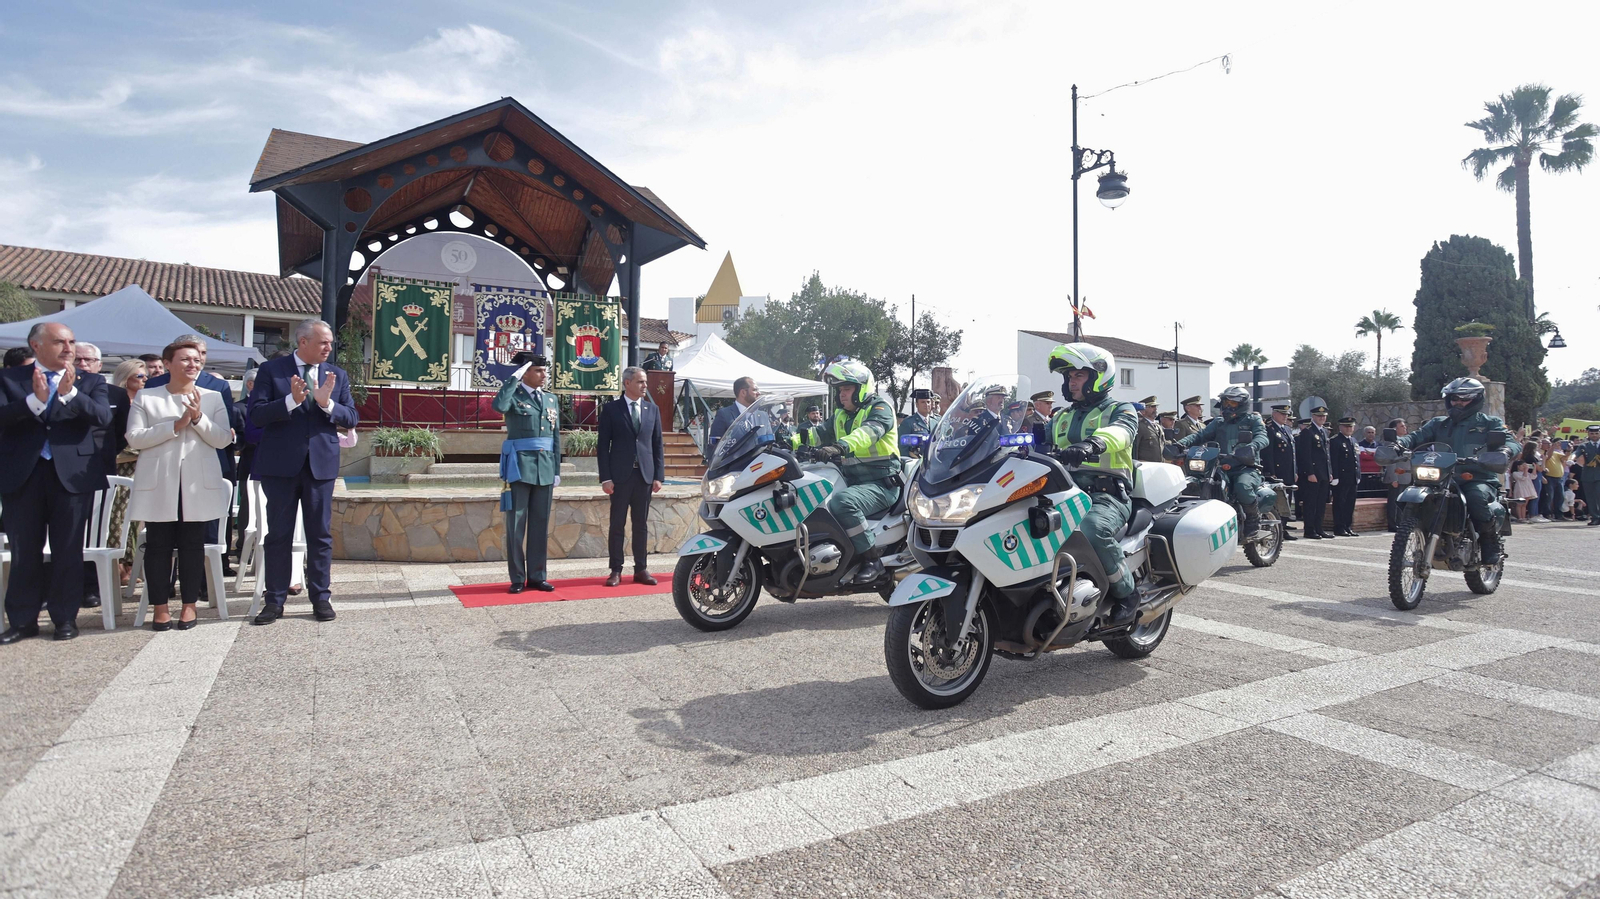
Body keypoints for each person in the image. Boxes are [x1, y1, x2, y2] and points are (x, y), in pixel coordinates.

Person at [0, 323, 112, 644]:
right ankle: (22, 621)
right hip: (24, 474)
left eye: (72, 342)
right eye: (59, 342)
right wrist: (34, 402)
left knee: (68, 551)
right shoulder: (8, 379)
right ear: (36, 346)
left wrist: (70, 394)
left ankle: (65, 618)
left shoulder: (90, 381)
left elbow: (103, 418)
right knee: (25, 551)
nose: (68, 348)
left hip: (72, 476)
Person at [246, 318, 358, 624]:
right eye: (323, 342)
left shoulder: (337, 375)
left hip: (320, 466)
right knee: (278, 535)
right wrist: (290, 401)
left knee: (319, 535)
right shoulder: (273, 370)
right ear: (303, 342)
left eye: (331, 343)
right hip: (280, 467)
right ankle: (275, 600)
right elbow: (256, 415)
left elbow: (351, 417)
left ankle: (321, 597)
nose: (329, 348)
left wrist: (327, 405)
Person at [125, 339, 233, 629]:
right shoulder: (148, 397)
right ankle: (160, 608)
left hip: (198, 483)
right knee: (158, 545)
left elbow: (224, 439)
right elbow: (134, 438)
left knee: (192, 545)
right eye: (185, 359)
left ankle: (189, 606)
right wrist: (174, 425)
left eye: (197, 360)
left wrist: (197, 419)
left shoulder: (212, 397)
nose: (192, 364)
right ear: (168, 364)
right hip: (160, 481)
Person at [1045, 344, 1142, 628]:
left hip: (1106, 494)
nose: (1071, 382)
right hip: (1064, 493)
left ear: (1099, 376)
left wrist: (1093, 443)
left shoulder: (1119, 409)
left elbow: (1121, 432)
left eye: (1078, 376)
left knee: (1091, 530)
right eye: (1068, 376)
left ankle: (1127, 594)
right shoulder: (1061, 416)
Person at [792, 358, 901, 586]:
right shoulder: (841, 416)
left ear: (862, 388)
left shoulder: (880, 409)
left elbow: (867, 433)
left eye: (847, 389)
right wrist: (784, 440)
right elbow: (815, 434)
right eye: (840, 390)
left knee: (843, 503)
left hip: (881, 484)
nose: (841, 394)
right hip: (852, 481)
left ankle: (873, 561)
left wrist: (839, 447)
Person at [1394, 378, 1519, 561]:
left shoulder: (1489, 423)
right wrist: (1398, 444)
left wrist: (1505, 451)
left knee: (1476, 498)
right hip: (1442, 477)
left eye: (1463, 399)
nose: (1458, 403)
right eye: (1454, 398)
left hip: (1477, 478)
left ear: (1476, 400)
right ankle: (1417, 530)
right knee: (1415, 491)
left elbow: (1510, 441)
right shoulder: (1439, 423)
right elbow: (1415, 437)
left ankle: (1488, 541)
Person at [494, 352, 562, 593]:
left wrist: (556, 469)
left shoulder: (551, 399)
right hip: (519, 467)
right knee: (516, 525)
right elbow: (499, 406)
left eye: (545, 371)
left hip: (544, 467)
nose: (544, 375)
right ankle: (517, 578)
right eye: (538, 371)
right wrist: (513, 379)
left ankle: (537, 576)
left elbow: (555, 437)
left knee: (540, 525)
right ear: (526, 373)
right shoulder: (514, 396)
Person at [1167, 386, 1274, 538]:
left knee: (1242, 487)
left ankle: (1252, 518)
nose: (1228, 406)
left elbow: (1262, 436)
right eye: (1225, 402)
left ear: (1242, 404)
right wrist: (1180, 445)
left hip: (1245, 467)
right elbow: (1200, 436)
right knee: (1197, 482)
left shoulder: (1253, 420)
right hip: (1220, 466)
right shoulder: (1219, 422)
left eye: (1232, 403)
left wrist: (1252, 446)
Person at [81, 358, 142, 609]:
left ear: (98, 364)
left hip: (106, 471)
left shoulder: (114, 394)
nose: (83, 363)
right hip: (62, 474)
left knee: (102, 529)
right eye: (78, 359)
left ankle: (92, 587)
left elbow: (121, 432)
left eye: (89, 359)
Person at [598, 366, 664, 587]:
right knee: (617, 523)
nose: (645, 386)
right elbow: (602, 447)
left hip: (644, 476)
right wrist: (605, 478)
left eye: (645, 382)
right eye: (640, 382)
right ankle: (616, 570)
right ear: (627, 383)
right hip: (619, 476)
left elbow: (657, 445)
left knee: (641, 524)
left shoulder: (652, 410)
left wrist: (658, 475)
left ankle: (641, 569)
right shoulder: (611, 410)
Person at [1261, 404, 1298, 540]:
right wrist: (1270, 472)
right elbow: (1268, 453)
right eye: (1282, 414)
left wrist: (1295, 471)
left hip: (1288, 471)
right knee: (1277, 502)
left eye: (1286, 414)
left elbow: (1292, 454)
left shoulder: (1287, 430)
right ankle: (1277, 529)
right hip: (1277, 472)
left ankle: (1284, 527)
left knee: (1286, 501)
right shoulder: (1269, 430)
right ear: (1274, 414)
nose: (1285, 416)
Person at [1296, 407, 1333, 538]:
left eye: (1323, 416)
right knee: (1310, 503)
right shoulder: (1308, 432)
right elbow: (1305, 455)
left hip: (1323, 473)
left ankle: (1319, 528)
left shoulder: (1323, 432)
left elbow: (1326, 455)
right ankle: (1309, 530)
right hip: (1313, 474)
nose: (1322, 418)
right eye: (1319, 416)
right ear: (1313, 416)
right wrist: (1310, 473)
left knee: (1321, 503)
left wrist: (1329, 472)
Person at [707, 376, 760, 458]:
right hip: (735, 467)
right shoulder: (724, 414)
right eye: (755, 390)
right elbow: (714, 447)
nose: (758, 393)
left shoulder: (762, 415)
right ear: (743, 392)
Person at [1330, 416, 1361, 537]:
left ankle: (1348, 526)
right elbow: (1334, 460)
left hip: (1352, 477)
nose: (1349, 429)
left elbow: (1356, 460)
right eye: (1346, 426)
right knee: (1339, 503)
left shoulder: (1353, 441)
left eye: (1351, 426)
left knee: (1350, 503)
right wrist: (1335, 476)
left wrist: (1358, 474)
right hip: (1341, 478)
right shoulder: (1335, 441)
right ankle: (1339, 527)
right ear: (1340, 427)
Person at [1384, 418, 1410, 532]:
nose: (1405, 428)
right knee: (1394, 503)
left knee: (1401, 503)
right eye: (1402, 426)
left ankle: (1400, 522)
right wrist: (1393, 478)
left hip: (1405, 477)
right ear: (1395, 429)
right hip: (1397, 477)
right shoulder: (1392, 443)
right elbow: (1391, 462)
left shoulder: (1404, 441)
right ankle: (1393, 524)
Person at [1572, 425, 1600, 526]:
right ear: (1588, 434)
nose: (1594, 435)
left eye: (1596, 433)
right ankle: (1595, 517)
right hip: (1588, 474)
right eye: (1592, 433)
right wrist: (1572, 458)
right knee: (1590, 497)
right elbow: (1576, 453)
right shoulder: (1584, 445)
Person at [1133, 395, 1167, 465]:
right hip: (1145, 466)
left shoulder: (1158, 427)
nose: (1155, 409)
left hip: (1159, 465)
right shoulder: (1140, 426)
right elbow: (1135, 449)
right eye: (1152, 407)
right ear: (1143, 411)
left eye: (1156, 407)